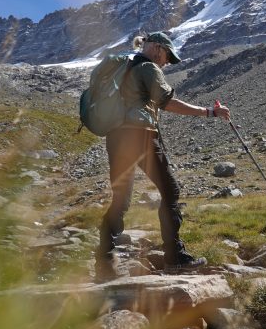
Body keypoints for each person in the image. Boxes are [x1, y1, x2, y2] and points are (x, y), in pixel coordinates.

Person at [95, 31, 230, 281]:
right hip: (141, 137)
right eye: (168, 56)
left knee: (121, 199)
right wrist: (210, 112)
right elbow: (168, 103)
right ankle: (175, 258)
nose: (167, 62)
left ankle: (104, 262)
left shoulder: (124, 65)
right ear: (157, 48)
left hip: (116, 138)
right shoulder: (148, 68)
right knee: (170, 192)